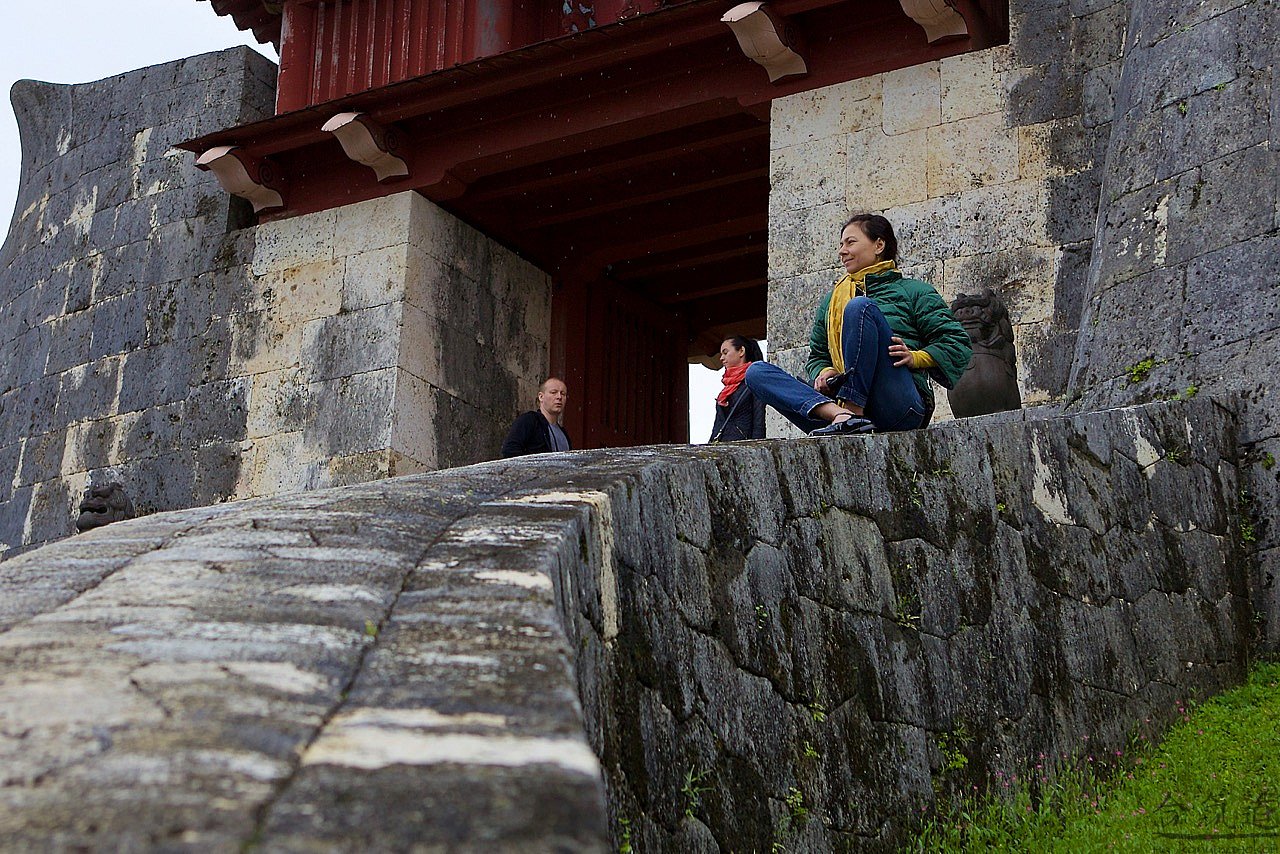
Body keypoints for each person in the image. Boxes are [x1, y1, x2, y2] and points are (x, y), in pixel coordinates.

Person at [744, 214, 971, 435]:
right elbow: (818, 356)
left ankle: (853, 410)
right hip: (836, 410)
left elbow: (957, 343)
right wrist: (826, 372)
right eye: (841, 244)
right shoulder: (831, 301)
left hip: (898, 407)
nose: (842, 251)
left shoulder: (914, 291)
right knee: (756, 372)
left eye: (850, 242)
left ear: (879, 245)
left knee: (859, 307)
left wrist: (915, 357)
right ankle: (841, 416)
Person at [709, 335, 766, 442]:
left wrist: (756, 447)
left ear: (741, 351)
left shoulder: (753, 381)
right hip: (722, 446)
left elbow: (759, 422)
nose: (721, 358)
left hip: (743, 446)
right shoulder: (727, 387)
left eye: (725, 353)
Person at [501, 377, 572, 457]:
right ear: (541, 397)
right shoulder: (529, 421)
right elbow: (510, 450)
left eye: (563, 394)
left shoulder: (563, 433)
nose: (559, 397)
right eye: (553, 392)